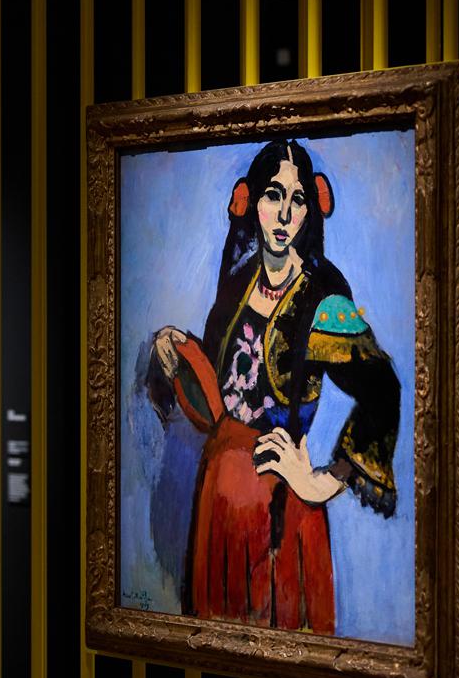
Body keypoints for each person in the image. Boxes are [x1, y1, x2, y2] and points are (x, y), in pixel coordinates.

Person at [146, 139, 400, 634]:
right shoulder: (239, 279)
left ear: (310, 209)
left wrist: (321, 482)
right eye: (273, 195)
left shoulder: (322, 297)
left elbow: (382, 390)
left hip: (280, 513)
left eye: (297, 198)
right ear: (252, 201)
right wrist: (179, 350)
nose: (284, 213)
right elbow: (223, 389)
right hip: (218, 498)